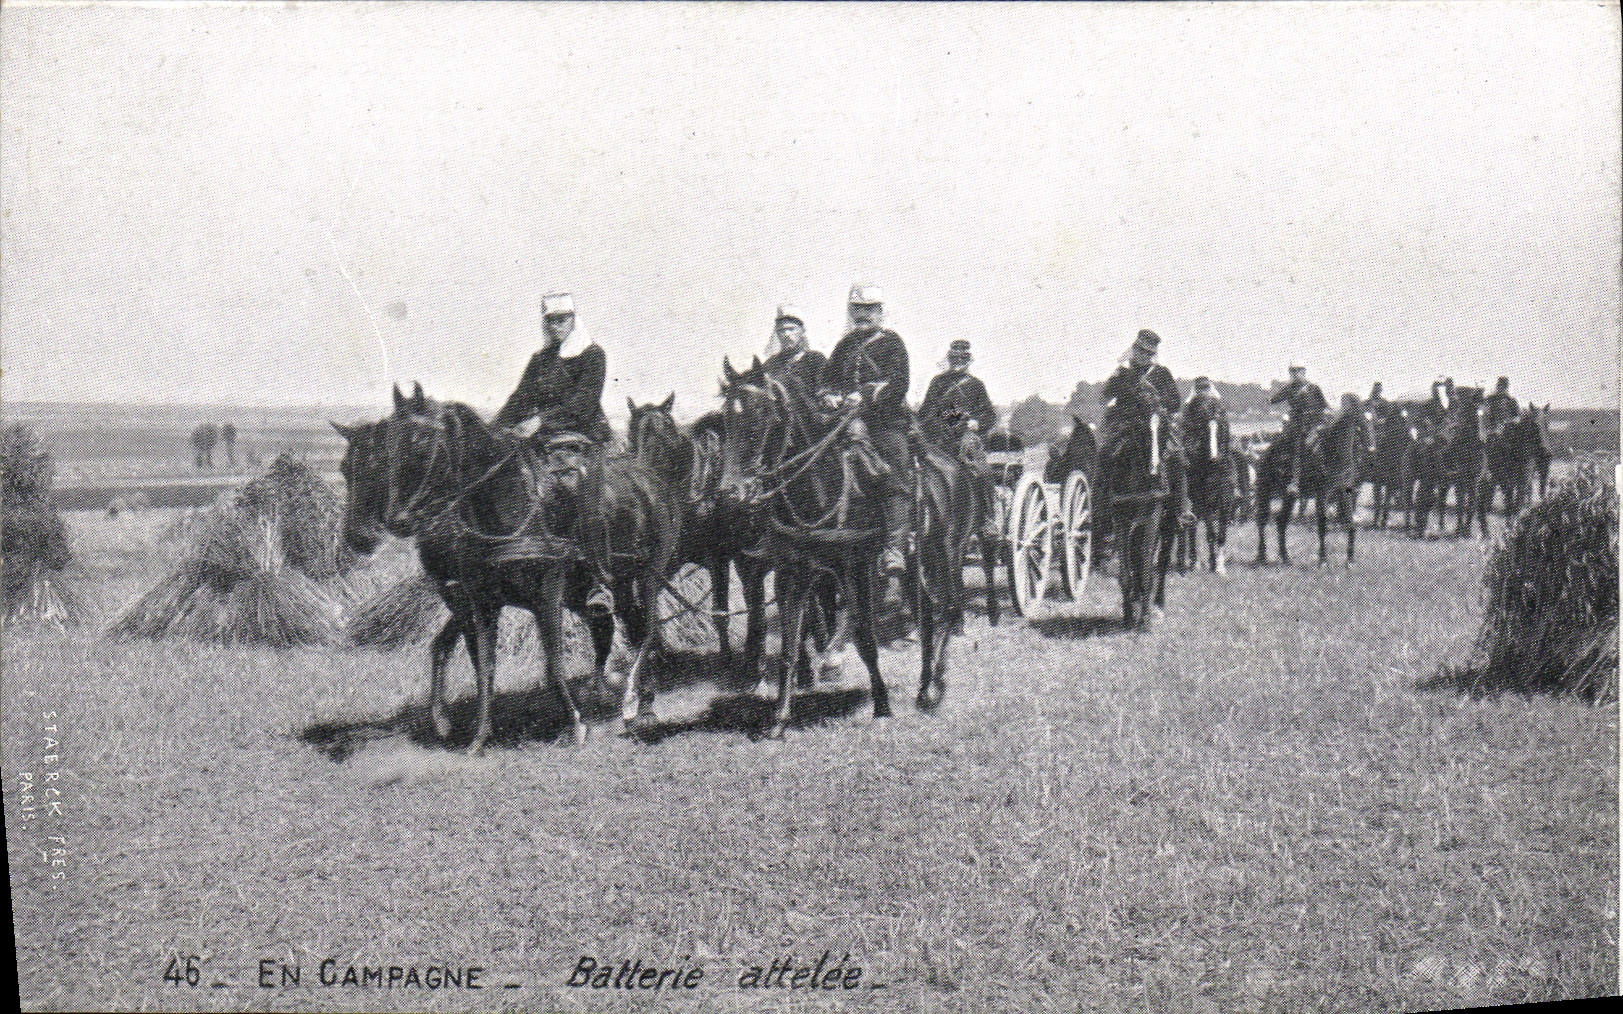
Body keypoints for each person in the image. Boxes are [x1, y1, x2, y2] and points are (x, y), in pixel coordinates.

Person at [493, 293, 614, 614]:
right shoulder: (540, 360)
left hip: (582, 438)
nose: (557, 326)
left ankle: (600, 581)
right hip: (544, 440)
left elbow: (583, 404)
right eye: (551, 321)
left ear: (574, 320)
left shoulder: (592, 355)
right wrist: (493, 430)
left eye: (563, 320)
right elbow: (520, 398)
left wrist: (540, 420)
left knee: (580, 491)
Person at [819, 284, 913, 576]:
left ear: (881, 312)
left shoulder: (892, 343)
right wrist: (829, 395)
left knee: (893, 473)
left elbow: (899, 383)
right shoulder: (844, 346)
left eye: (869, 310)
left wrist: (866, 395)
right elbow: (826, 380)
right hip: (845, 422)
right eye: (857, 310)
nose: (862, 316)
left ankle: (895, 546)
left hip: (884, 422)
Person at [1098, 329, 1191, 525]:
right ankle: (1101, 507)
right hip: (1126, 425)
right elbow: (1104, 397)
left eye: (1148, 353)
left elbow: (1175, 402)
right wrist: (1115, 381)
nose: (1144, 356)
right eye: (1140, 351)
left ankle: (1182, 509)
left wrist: (1158, 402)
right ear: (1134, 350)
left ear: (1153, 354)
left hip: (1156, 425)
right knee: (1105, 453)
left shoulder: (1162, 374)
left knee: (1178, 456)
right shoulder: (1123, 373)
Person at [918, 339, 997, 454]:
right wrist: (936, 425)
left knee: (971, 459)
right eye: (954, 358)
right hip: (940, 437)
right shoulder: (938, 382)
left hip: (967, 436)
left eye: (962, 358)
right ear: (949, 359)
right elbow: (926, 411)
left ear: (968, 361)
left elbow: (989, 415)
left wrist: (977, 423)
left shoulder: (976, 384)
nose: (958, 362)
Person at [1269, 360, 1329, 496]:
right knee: (1298, 447)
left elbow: (1324, 404)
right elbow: (1274, 399)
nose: (1295, 375)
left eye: (1298, 371)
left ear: (1303, 372)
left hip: (1315, 423)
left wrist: (1327, 413)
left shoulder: (1314, 388)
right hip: (1297, 424)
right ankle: (1295, 482)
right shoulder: (1289, 389)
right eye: (1292, 372)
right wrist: (1268, 399)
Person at [761, 304, 826, 393]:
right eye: (781, 330)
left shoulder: (815, 359)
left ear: (802, 331)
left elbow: (825, 390)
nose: (786, 334)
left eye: (791, 329)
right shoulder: (771, 364)